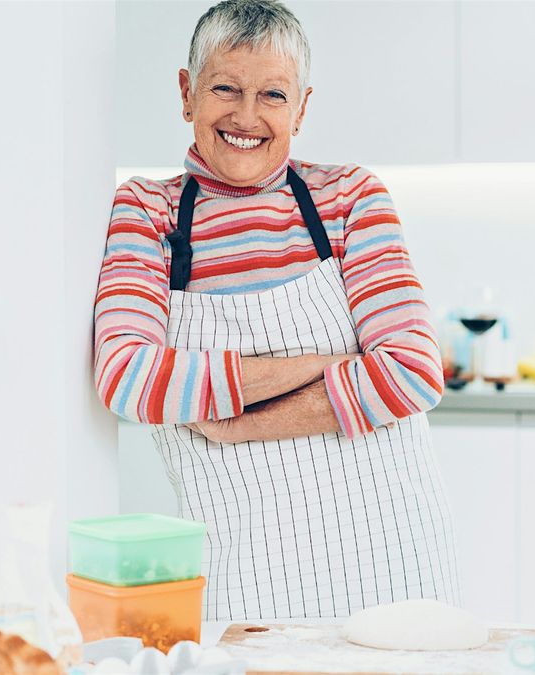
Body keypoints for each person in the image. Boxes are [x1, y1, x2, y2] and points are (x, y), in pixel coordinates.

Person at [92, 0, 459, 621]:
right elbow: (129, 380)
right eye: (225, 88)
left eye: (273, 95)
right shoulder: (147, 213)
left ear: (303, 107)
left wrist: (237, 424)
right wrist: (331, 363)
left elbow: (413, 373)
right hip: (242, 577)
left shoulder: (349, 197)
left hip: (398, 562)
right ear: (187, 93)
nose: (246, 116)